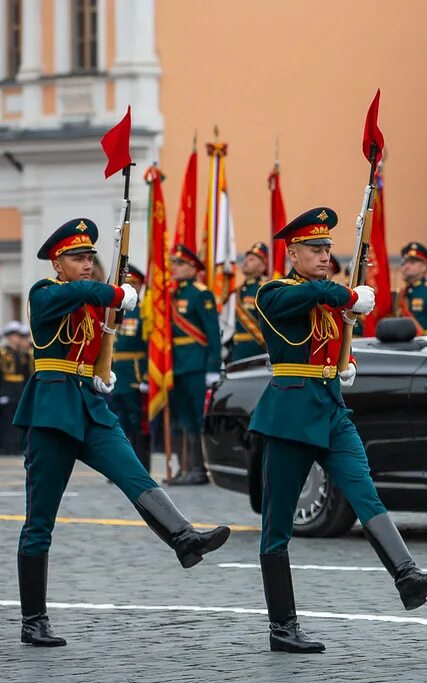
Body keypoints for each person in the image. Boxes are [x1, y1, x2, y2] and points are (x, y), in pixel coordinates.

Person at [13, 218, 229, 647]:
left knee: (134, 474)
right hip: (52, 409)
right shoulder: (46, 293)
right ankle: (33, 619)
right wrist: (115, 292)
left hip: (89, 406)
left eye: (91, 257)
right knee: (41, 520)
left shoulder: (90, 304)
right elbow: (81, 294)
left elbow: (92, 337)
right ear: (58, 263)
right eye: (78, 257)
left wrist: (99, 371)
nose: (88, 264)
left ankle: (184, 538)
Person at [251, 207, 427, 654]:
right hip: (290, 413)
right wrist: (347, 295)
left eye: (327, 248)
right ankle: (282, 626)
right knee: (277, 524)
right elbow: (309, 299)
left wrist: (348, 360)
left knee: (365, 492)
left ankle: (407, 575)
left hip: (331, 408)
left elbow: (332, 335)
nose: (325, 256)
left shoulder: (324, 297)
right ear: (292, 252)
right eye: (315, 249)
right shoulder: (273, 291)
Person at [166, 244, 221, 486]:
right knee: (181, 419)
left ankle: (199, 469)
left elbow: (213, 333)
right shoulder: (172, 294)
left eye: (179, 264)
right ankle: (184, 467)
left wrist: (212, 367)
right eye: (173, 264)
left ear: (192, 267)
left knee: (197, 419)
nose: (173, 268)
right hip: (176, 365)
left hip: (197, 365)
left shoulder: (201, 294)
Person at [110, 264, 149, 469]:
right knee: (119, 421)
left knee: (137, 423)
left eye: (133, 285)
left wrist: (147, 375)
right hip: (117, 373)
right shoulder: (115, 312)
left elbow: (152, 347)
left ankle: (141, 465)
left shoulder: (144, 312)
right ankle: (123, 465)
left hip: (135, 374)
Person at [223, 241, 269, 363]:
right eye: (246, 258)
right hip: (236, 354)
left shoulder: (265, 289)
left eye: (252, 259)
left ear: (263, 266)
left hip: (258, 353)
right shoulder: (237, 292)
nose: (246, 261)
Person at [1, 322, 32, 454]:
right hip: (7, 389)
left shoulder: (21, 354)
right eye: (15, 335)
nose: (19, 338)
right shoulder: (3, 353)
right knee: (6, 420)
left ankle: (16, 445)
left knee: (17, 419)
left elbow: (26, 374)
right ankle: (7, 446)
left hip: (19, 389)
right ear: (9, 337)